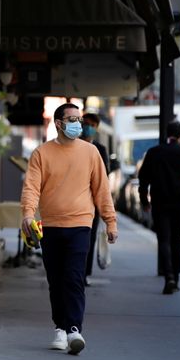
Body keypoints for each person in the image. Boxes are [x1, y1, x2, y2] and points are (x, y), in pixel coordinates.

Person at [21, 103, 118, 355]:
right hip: (51, 226)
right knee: (56, 280)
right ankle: (60, 328)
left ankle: (74, 329)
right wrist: (28, 215)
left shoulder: (91, 152)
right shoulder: (41, 154)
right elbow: (31, 187)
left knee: (74, 277)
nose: (78, 123)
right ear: (59, 124)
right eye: (72, 118)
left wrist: (110, 221)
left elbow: (102, 189)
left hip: (80, 225)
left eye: (79, 118)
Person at [137, 121, 180, 294]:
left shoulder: (154, 152)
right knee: (176, 240)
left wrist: (144, 200)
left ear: (167, 134)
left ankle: (169, 277)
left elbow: (143, 178)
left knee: (163, 240)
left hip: (160, 203)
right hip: (179, 203)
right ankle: (176, 277)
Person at [79, 113, 109, 286]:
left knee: (89, 239)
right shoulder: (73, 145)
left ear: (96, 128)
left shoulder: (100, 149)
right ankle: (75, 273)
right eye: (86, 123)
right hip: (75, 201)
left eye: (91, 124)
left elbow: (104, 175)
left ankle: (84, 274)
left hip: (93, 202)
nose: (88, 126)